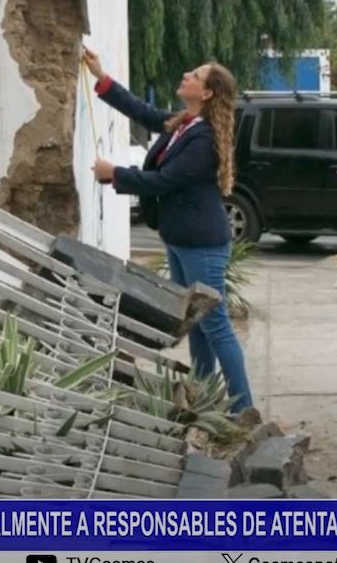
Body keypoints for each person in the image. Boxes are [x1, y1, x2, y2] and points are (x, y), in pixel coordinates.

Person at [81, 48, 253, 412]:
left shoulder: (203, 138)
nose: (187, 75)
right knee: (196, 323)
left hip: (202, 244)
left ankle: (243, 409)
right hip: (180, 239)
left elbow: (165, 180)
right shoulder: (183, 124)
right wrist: (101, 77)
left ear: (207, 93)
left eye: (196, 75)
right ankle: (203, 400)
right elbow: (142, 112)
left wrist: (115, 174)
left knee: (216, 326)